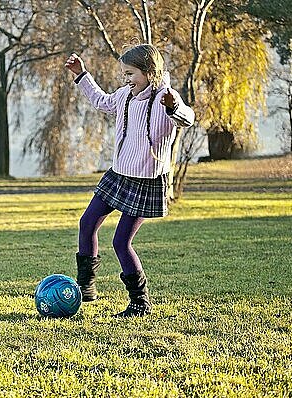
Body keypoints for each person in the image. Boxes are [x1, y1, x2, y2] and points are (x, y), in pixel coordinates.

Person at [64, 44, 195, 317]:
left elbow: (187, 118)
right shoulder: (124, 96)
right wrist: (82, 75)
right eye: (124, 73)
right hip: (119, 174)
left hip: (146, 180)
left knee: (121, 242)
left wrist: (173, 107)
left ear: (149, 72)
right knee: (87, 223)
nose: (126, 79)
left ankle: (139, 303)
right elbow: (101, 101)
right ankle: (86, 286)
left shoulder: (165, 98)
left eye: (131, 73)